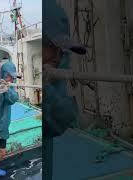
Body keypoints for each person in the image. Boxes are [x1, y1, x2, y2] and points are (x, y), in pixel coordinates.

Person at [43, 1, 86, 179]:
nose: (58, 56)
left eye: (62, 50)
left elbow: (60, 122)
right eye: (52, 46)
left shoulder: (54, 79)